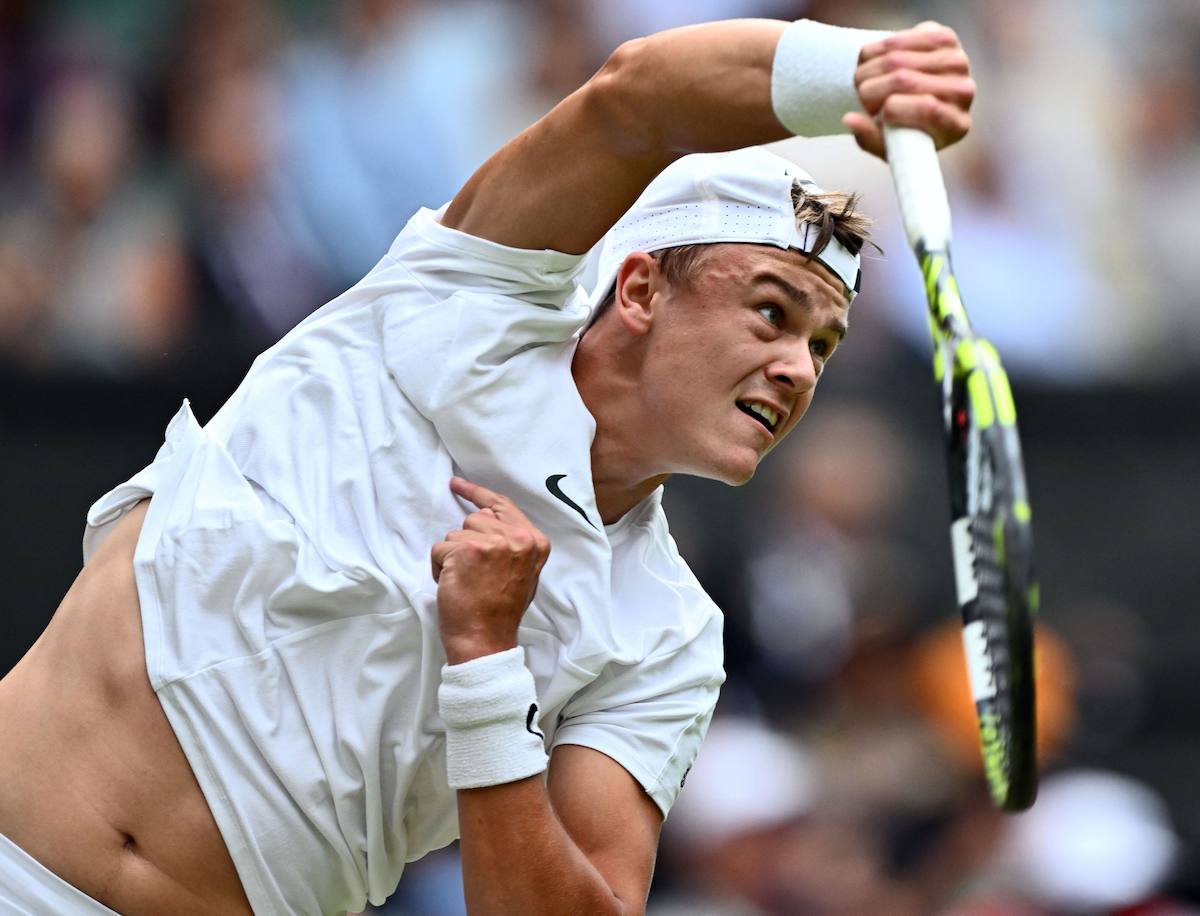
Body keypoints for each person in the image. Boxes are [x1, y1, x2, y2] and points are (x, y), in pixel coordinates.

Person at [0, 16, 974, 916]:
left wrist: (487, 668)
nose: (798, 367)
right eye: (772, 311)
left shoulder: (669, 637)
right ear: (639, 289)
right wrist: (853, 67)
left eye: (824, 344)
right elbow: (635, 97)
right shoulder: (465, 306)